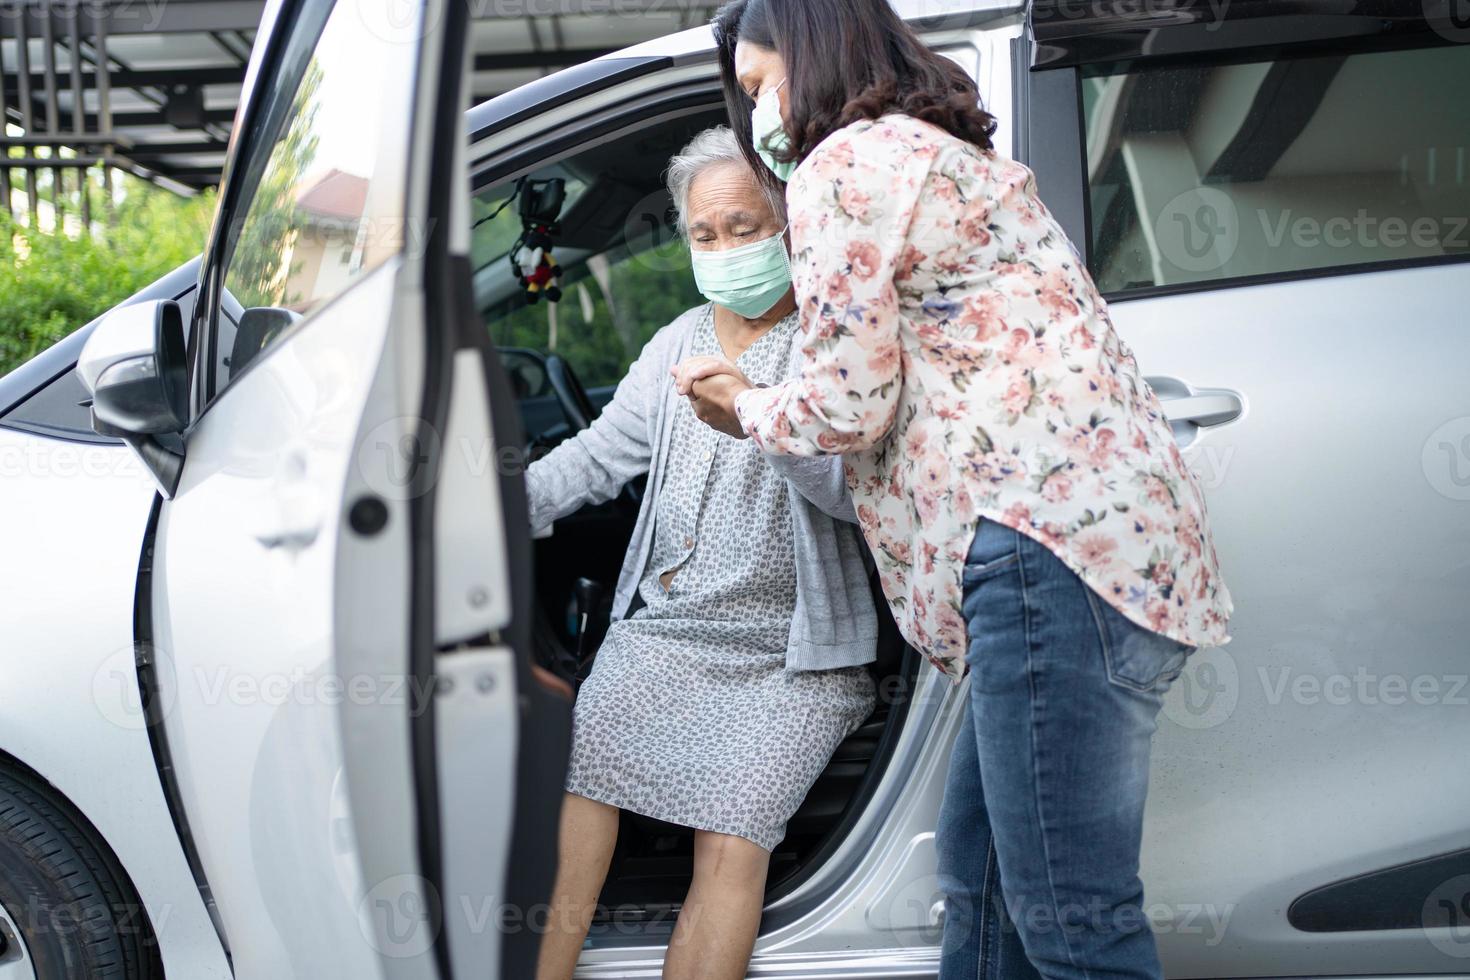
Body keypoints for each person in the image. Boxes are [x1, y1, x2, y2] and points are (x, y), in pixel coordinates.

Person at [672, 2, 1234, 978]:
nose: (759, 111)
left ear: (814, 57)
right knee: (982, 900)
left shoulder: (843, 164)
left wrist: (747, 408)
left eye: (763, 85)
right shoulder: (941, 154)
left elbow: (849, 399)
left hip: (1043, 556)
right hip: (1100, 555)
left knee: (1072, 924)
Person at [528, 125, 878, 980]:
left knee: (731, 836)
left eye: (745, 228)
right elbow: (600, 456)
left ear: (793, 225)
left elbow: (857, 497)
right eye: (704, 235)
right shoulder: (679, 341)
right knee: (579, 781)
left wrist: (758, 415)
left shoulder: (835, 344)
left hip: (794, 655)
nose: (723, 249)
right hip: (669, 631)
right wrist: (488, 510)